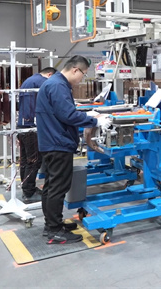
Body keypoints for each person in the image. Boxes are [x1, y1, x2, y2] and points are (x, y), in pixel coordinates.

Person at [36, 56, 111, 244]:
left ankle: (52, 224)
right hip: (58, 143)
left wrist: (85, 114)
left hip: (52, 141)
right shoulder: (58, 85)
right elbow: (67, 115)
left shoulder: (55, 83)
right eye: (83, 75)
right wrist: (94, 121)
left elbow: (63, 111)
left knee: (52, 186)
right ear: (75, 70)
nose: (81, 79)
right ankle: (54, 230)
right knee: (58, 187)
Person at [17, 67, 56, 204]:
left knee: (25, 160)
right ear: (50, 74)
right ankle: (29, 193)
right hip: (32, 127)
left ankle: (27, 189)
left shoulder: (29, 80)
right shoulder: (43, 82)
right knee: (34, 161)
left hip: (22, 125)